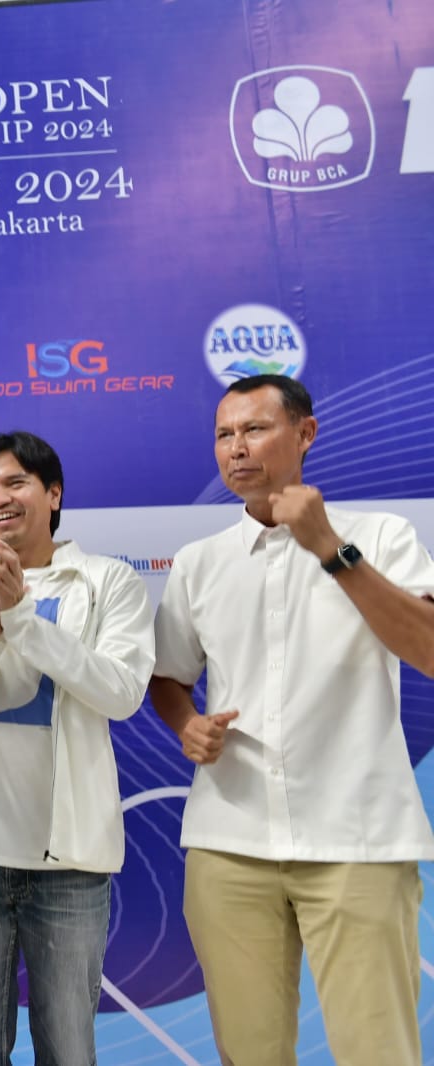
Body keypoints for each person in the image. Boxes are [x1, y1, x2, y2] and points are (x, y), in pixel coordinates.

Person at [149, 374, 434, 1066]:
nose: (236, 449)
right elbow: (168, 678)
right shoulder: (199, 562)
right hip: (230, 841)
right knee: (249, 1053)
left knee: (377, 1051)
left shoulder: (381, 535)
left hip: (354, 839)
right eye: (224, 435)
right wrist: (186, 723)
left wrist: (330, 549)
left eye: (255, 430)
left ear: (305, 434)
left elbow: (427, 648)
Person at [0, 431, 153, 1065]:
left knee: (69, 1051)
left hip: (70, 868)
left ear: (53, 494)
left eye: (15, 482)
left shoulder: (110, 581)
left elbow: (121, 691)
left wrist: (22, 617)